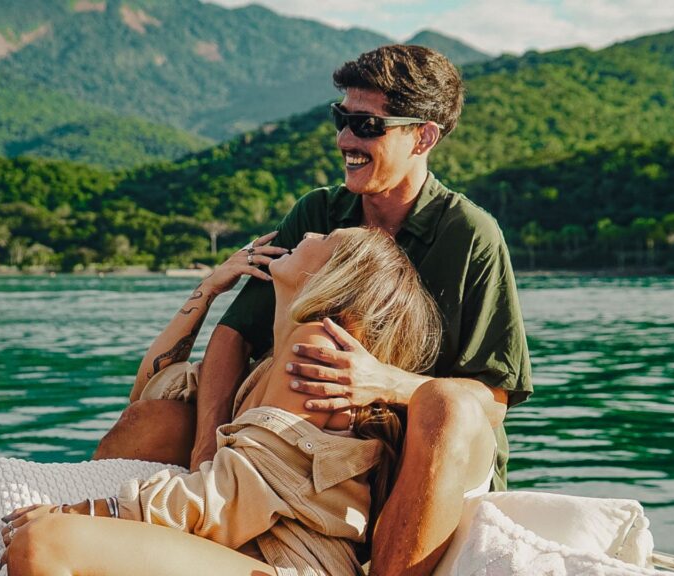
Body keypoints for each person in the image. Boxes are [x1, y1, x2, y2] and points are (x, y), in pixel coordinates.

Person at [96, 44, 532, 574]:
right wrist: (206, 452)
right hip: (303, 444)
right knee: (155, 421)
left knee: (449, 407)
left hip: (411, 456)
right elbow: (233, 336)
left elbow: (493, 398)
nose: (345, 139)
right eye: (341, 119)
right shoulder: (318, 213)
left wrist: (382, 381)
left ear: (424, 135)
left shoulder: (470, 235)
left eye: (367, 124)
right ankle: (93, 542)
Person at [0, 227, 457, 576]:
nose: (311, 233)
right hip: (241, 558)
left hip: (289, 566)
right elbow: (147, 395)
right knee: (19, 538)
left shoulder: (316, 350)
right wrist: (211, 288)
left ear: (336, 275)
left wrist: (87, 511)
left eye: (328, 238)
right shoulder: (266, 366)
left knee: (44, 541)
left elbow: (226, 501)